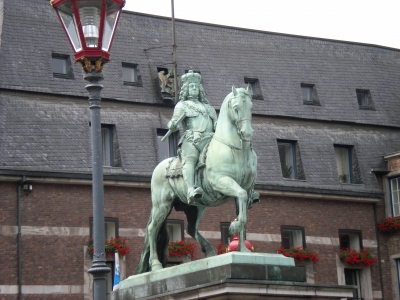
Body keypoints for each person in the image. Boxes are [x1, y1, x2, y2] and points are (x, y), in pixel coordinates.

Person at [167, 69, 217, 203]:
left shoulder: (209, 108)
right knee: (191, 159)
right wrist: (172, 124)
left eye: (196, 86)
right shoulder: (182, 105)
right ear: (186, 89)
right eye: (191, 86)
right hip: (192, 138)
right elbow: (175, 122)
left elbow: (217, 125)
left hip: (211, 139)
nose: (194, 88)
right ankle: (190, 189)